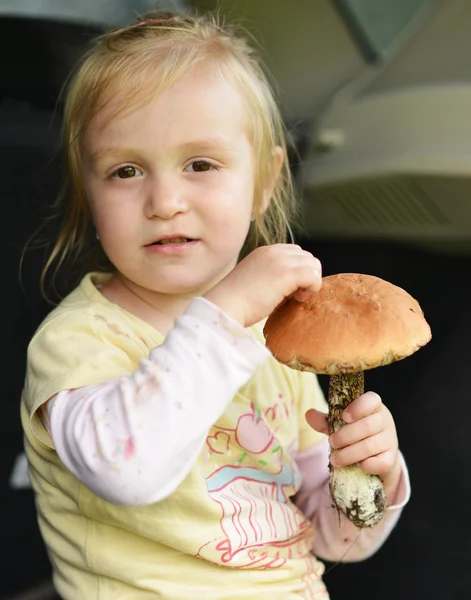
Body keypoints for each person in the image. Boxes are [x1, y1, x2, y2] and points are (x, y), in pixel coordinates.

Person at [21, 8, 410, 600]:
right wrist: (224, 313)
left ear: (263, 184)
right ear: (89, 195)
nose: (166, 200)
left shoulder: (278, 342)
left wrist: (370, 478)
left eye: (200, 164)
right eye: (125, 170)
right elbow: (131, 471)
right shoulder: (77, 345)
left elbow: (328, 538)